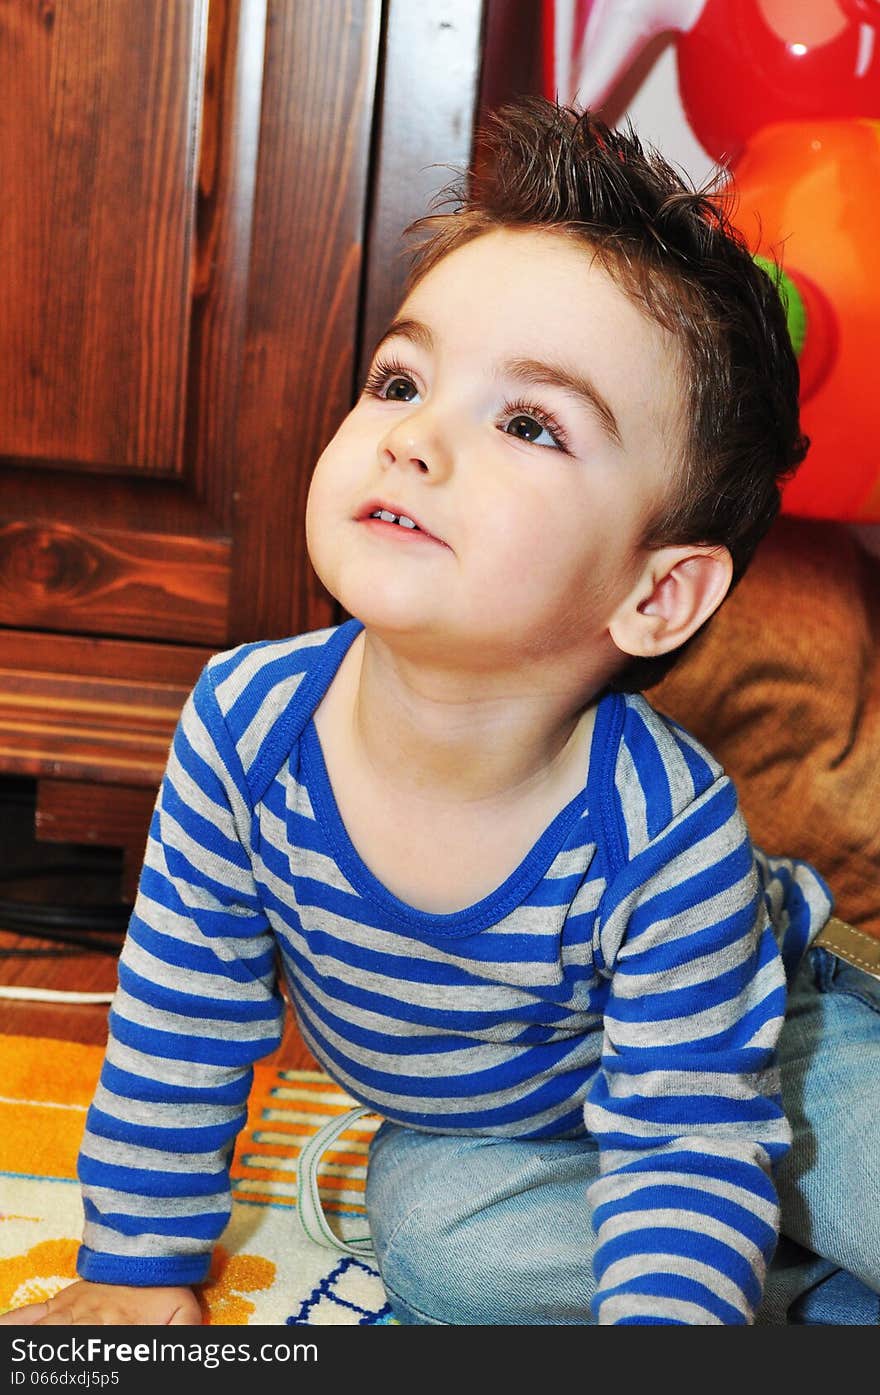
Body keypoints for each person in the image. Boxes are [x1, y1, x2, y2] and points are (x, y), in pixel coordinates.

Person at [2, 98, 878, 1327]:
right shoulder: (247, 728)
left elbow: (684, 1137)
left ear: (655, 590)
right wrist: (135, 1274)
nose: (413, 436)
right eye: (400, 378)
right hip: (518, 1123)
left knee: (849, 1166)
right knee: (437, 1248)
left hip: (759, 1037)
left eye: (527, 422)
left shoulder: (667, 828)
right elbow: (180, 1010)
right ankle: (796, 1287)